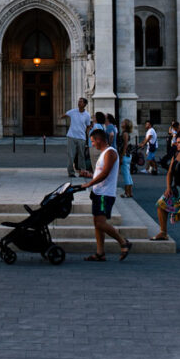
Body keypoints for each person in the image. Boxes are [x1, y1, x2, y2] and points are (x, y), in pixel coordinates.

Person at [79, 126, 132, 261]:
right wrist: (90, 175)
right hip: (99, 192)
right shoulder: (104, 153)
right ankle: (100, 253)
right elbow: (101, 174)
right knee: (97, 223)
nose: (92, 144)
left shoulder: (110, 152)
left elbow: (105, 173)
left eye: (92, 141)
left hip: (105, 194)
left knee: (100, 223)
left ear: (99, 140)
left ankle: (123, 242)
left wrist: (89, 183)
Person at [64, 97, 90, 178]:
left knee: (81, 155)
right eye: (79, 101)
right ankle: (71, 172)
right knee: (71, 155)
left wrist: (88, 137)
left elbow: (88, 126)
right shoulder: (73, 111)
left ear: (85, 104)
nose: (79, 103)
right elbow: (65, 114)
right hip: (71, 136)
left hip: (81, 137)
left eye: (81, 102)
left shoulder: (87, 115)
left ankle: (82, 171)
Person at [119, 119, 134, 198]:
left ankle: (127, 192)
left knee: (126, 174)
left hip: (125, 155)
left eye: (123, 122)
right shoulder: (126, 133)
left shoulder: (124, 133)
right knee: (128, 174)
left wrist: (122, 156)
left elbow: (125, 145)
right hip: (127, 155)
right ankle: (130, 192)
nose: (122, 123)